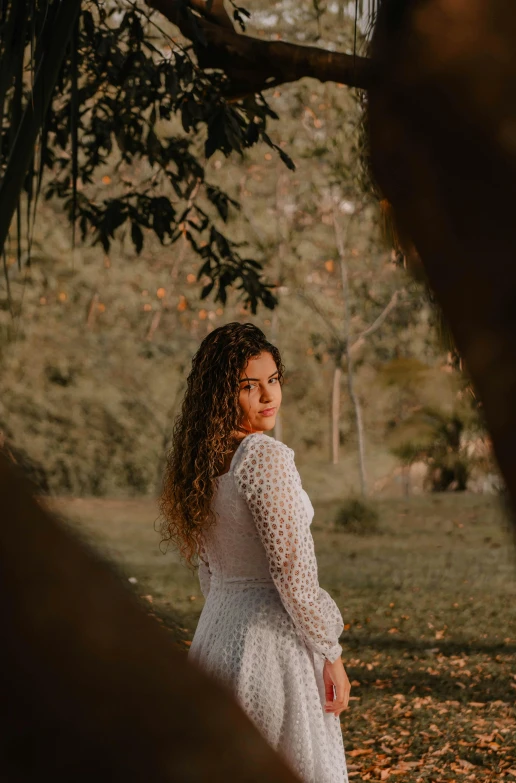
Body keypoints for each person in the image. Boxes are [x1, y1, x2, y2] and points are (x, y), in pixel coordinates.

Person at [159, 322, 350, 783]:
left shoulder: (199, 464)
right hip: (273, 649)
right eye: (249, 386)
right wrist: (332, 653)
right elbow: (293, 576)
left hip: (215, 641)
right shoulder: (264, 457)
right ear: (222, 393)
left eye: (273, 380)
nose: (268, 396)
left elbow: (210, 572)